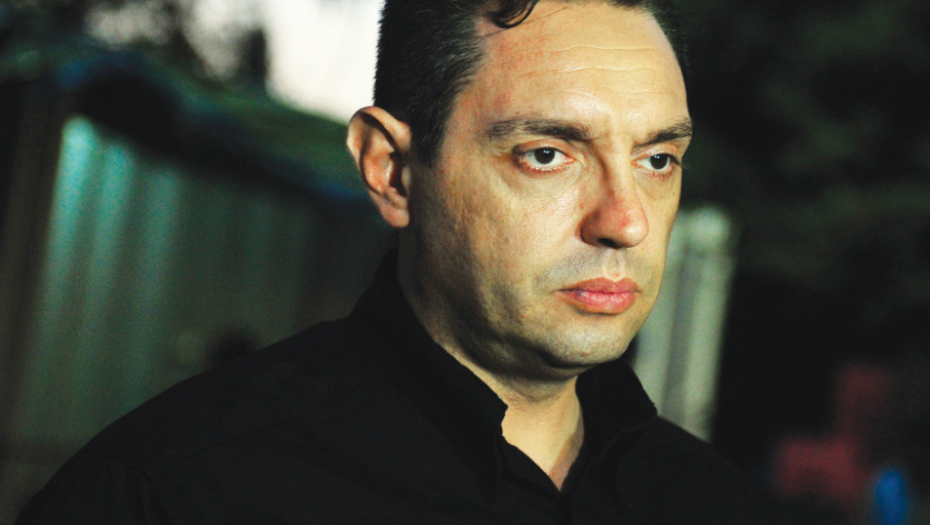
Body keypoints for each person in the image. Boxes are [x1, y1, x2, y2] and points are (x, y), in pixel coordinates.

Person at [16, 0, 788, 523]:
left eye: (657, 159)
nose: (625, 220)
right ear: (391, 170)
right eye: (547, 154)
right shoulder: (174, 492)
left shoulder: (713, 505)